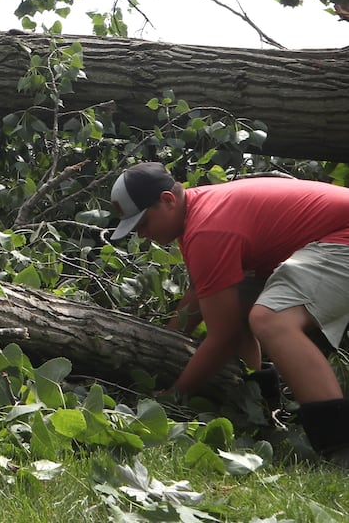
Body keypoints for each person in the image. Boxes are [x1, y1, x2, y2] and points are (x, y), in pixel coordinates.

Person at [108, 161, 349, 464]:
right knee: (238, 300)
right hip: (326, 238)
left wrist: (176, 394)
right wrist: (164, 342)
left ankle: (338, 446)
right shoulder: (199, 211)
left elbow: (224, 335)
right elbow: (204, 296)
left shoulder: (207, 228)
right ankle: (263, 402)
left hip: (343, 238)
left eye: (142, 224)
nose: (142, 235)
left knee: (271, 319)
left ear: (167, 201)